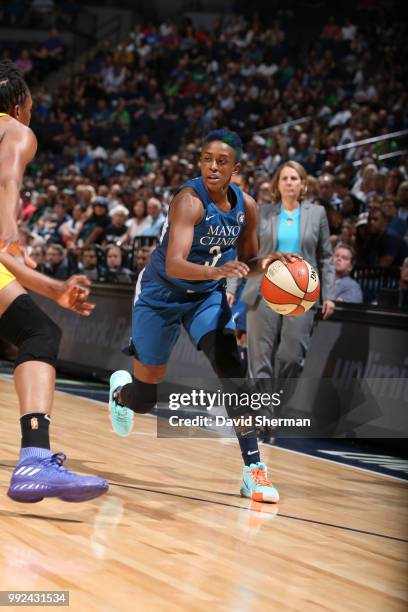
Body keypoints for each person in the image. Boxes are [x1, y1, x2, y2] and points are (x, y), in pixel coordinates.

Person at [107, 129, 299, 504]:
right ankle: (120, 393)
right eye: (207, 159)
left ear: (235, 168)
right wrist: (217, 272)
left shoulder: (247, 206)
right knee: (145, 397)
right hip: (161, 294)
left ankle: (253, 470)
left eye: (222, 161)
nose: (213, 166)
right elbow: (177, 264)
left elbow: (246, 262)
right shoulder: (188, 201)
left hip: (205, 298)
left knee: (232, 367)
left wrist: (271, 262)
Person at [0, 60, 108, 503]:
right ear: (22, 106)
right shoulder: (16, 131)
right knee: (40, 331)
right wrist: (12, 235)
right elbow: (8, 179)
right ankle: (34, 459)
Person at [242, 161, 335, 382]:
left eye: (294, 178)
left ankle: (277, 411)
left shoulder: (317, 213)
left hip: (301, 292)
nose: (289, 183)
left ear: (303, 184)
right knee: (259, 360)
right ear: (277, 184)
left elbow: (326, 257)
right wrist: (232, 286)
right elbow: (247, 255)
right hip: (264, 289)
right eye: (284, 178)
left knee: (292, 358)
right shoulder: (262, 213)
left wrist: (329, 295)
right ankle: (264, 414)